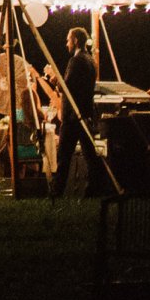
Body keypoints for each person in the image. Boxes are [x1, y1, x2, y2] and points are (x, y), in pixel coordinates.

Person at [46, 26, 99, 199]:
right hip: (85, 112)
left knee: (64, 156)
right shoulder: (90, 60)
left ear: (75, 40)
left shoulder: (76, 61)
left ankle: (56, 193)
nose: (66, 43)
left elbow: (67, 88)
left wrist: (54, 78)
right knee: (90, 155)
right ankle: (93, 191)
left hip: (73, 116)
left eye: (68, 39)